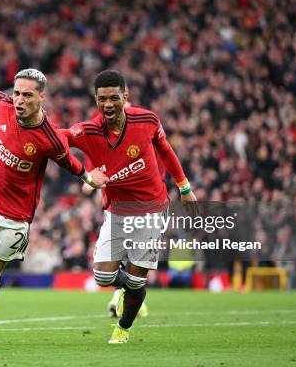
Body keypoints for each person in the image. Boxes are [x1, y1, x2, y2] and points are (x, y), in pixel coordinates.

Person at [0, 68, 108, 346]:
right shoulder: (7, 106)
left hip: (14, 216)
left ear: (42, 97)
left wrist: (89, 178)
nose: (19, 100)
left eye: (27, 95)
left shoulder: (49, 137)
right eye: (16, 93)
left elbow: (68, 161)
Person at [60, 70, 198, 343]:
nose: (108, 104)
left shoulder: (147, 120)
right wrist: (85, 175)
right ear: (96, 100)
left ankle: (122, 328)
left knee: (135, 279)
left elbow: (166, 151)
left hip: (152, 209)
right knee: (102, 275)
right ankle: (135, 289)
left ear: (126, 96)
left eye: (114, 98)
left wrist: (185, 188)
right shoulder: (88, 131)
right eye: (102, 99)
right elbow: (57, 137)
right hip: (118, 211)